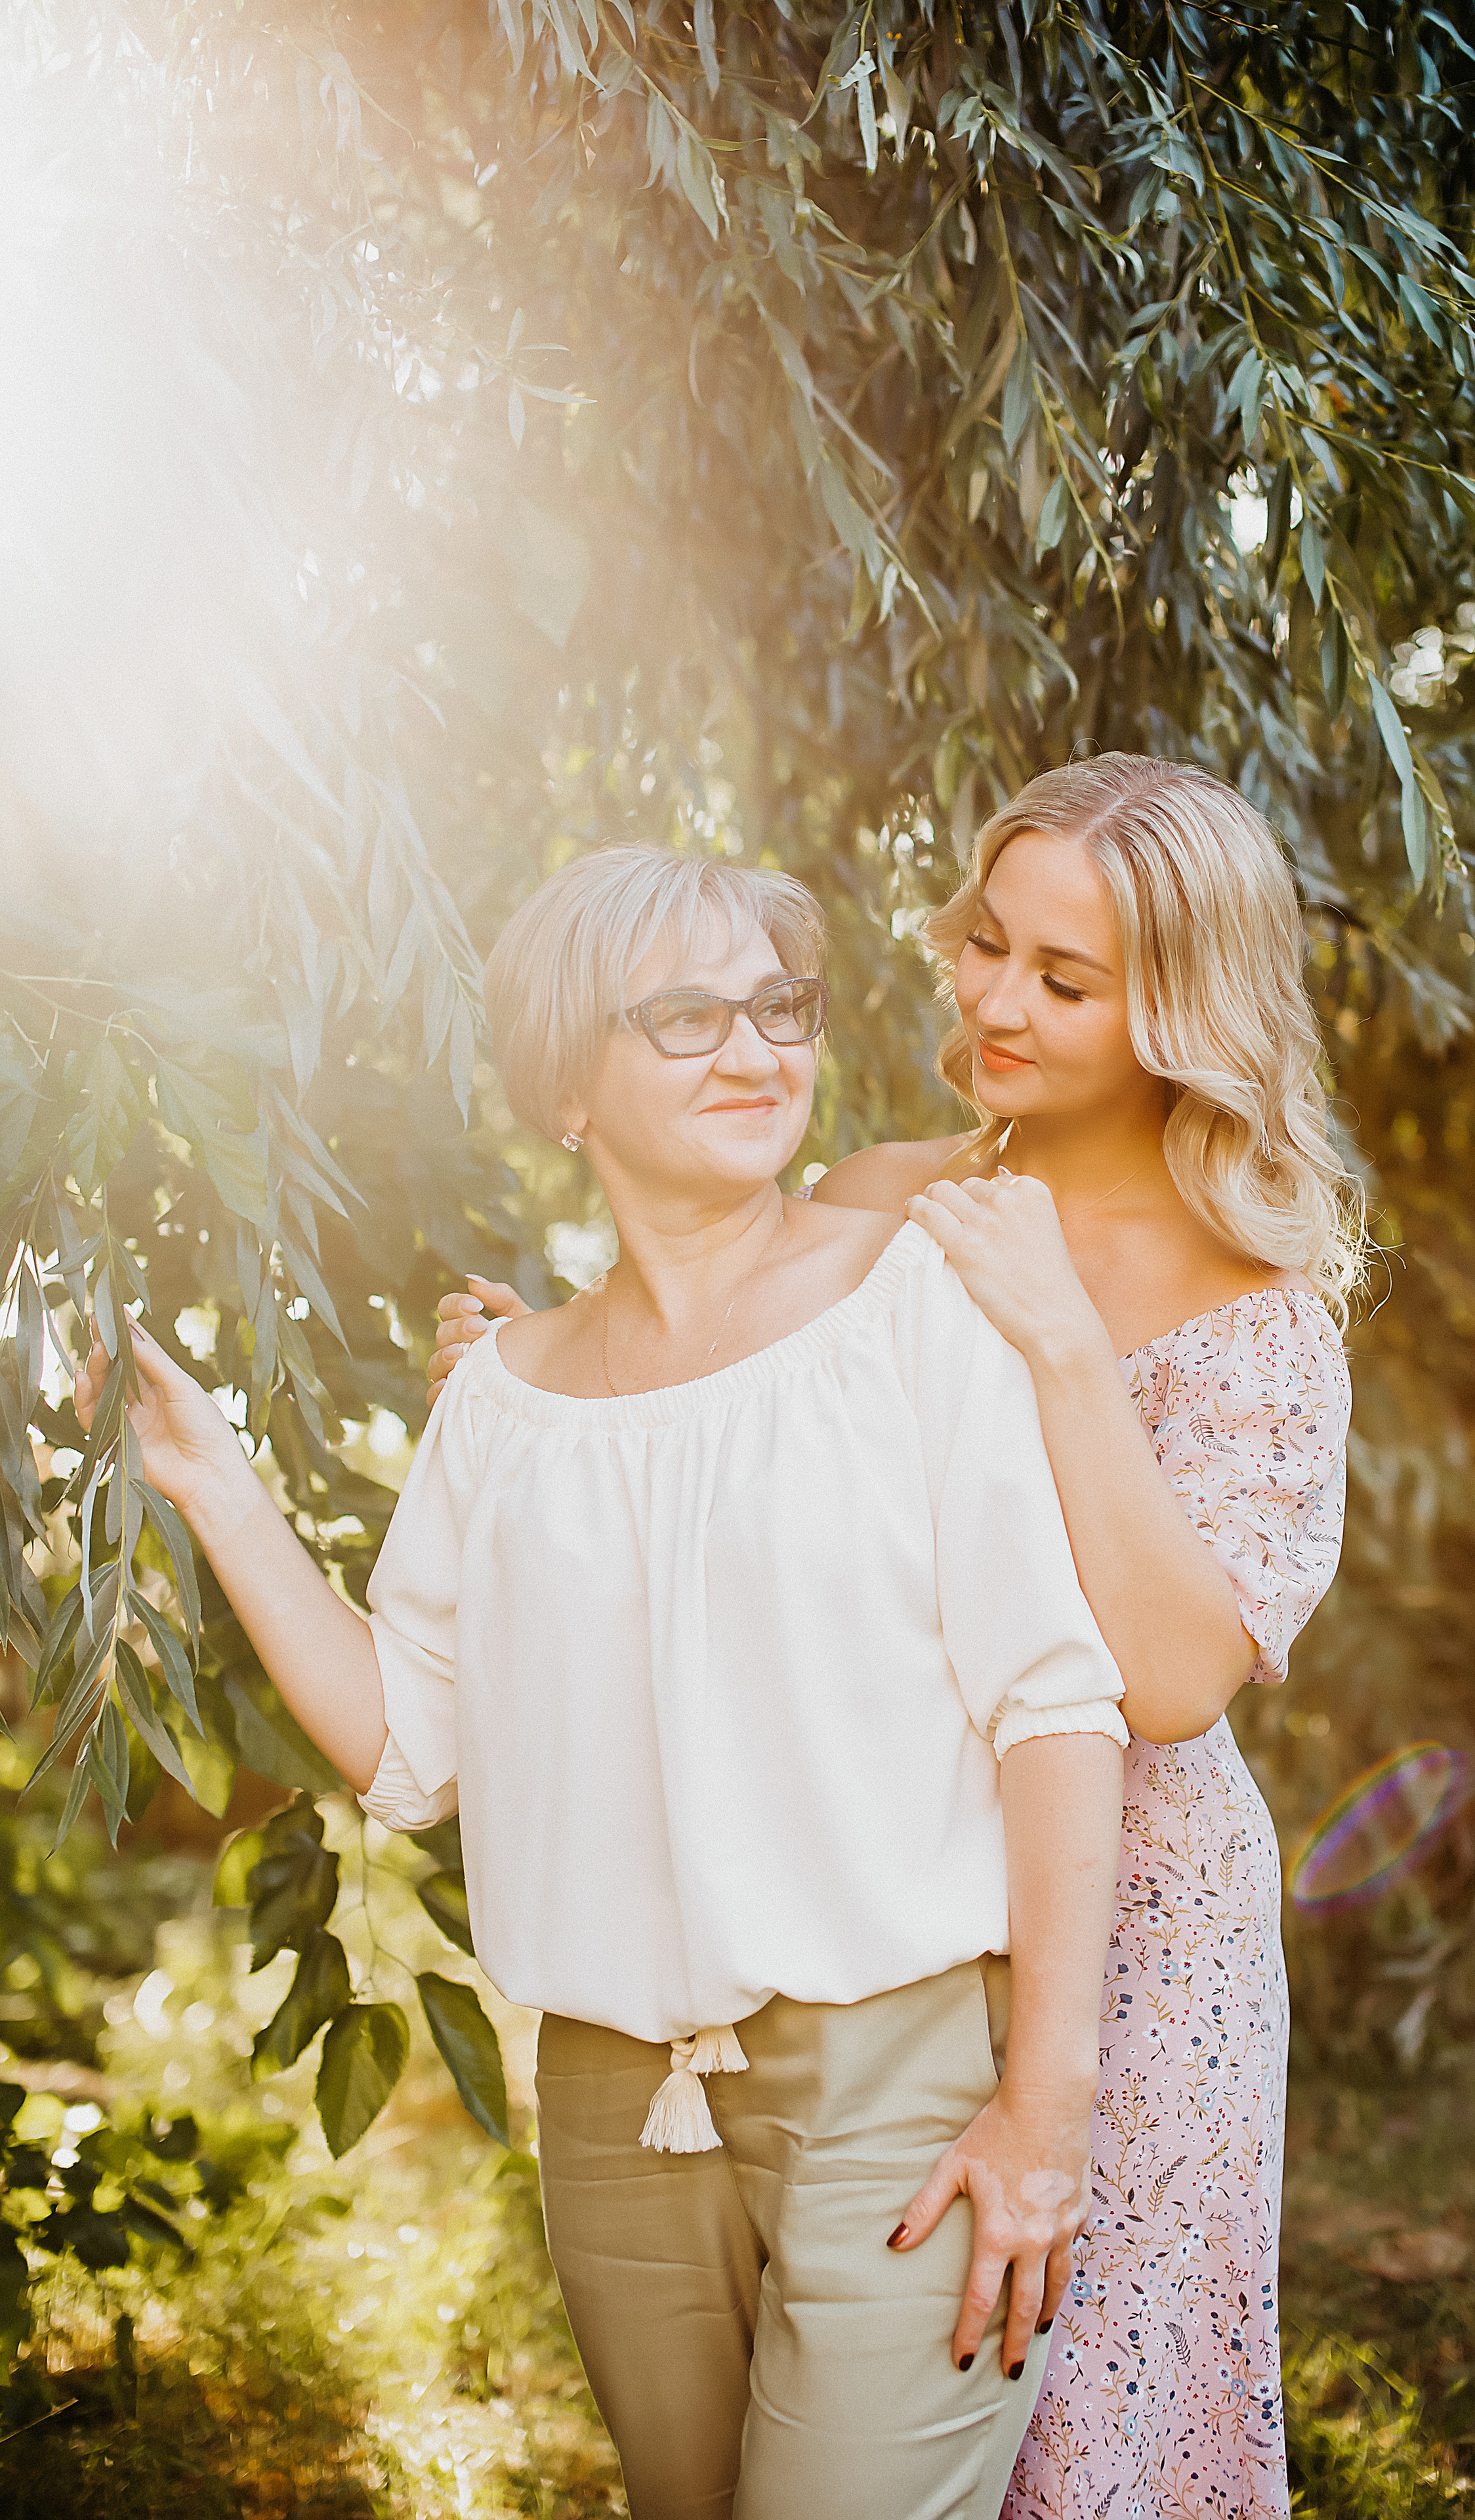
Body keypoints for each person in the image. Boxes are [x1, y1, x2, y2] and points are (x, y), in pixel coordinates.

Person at [79, 843, 1134, 2520]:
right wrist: (212, 1482)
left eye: (778, 1006)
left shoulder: (920, 1303)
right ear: (568, 1082)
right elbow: (405, 1744)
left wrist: (1045, 2106)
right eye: (686, 1016)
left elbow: (1055, 1704)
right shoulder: (500, 1398)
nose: (755, 1051)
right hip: (609, 2103)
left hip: (896, 2089)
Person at [432, 757, 1358, 2519]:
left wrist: (1066, 1345)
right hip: (870, 1916)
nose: (998, 1001)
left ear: (1178, 1013)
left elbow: (1170, 1683)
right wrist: (530, 1368)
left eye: (1064, 982)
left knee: (1075, 2424)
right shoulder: (878, 1189)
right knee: (853, 2416)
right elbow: (713, 1427)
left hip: (1134, 1948)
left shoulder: (1257, 1311)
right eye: (984, 944)